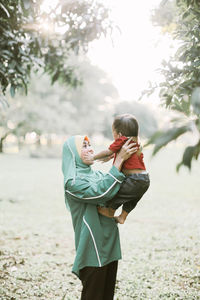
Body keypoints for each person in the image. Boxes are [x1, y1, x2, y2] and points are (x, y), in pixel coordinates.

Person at [62, 135, 137, 300]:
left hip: (109, 242)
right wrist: (118, 162)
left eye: (90, 145)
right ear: (73, 153)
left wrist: (120, 157)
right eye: (84, 146)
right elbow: (102, 192)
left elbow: (116, 187)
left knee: (106, 295)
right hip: (92, 249)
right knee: (94, 296)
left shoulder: (95, 174)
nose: (90, 149)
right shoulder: (72, 183)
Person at [94, 114, 150, 224]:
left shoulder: (122, 140)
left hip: (133, 180)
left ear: (119, 134)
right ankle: (122, 217)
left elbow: (107, 151)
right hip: (144, 179)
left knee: (117, 194)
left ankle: (110, 211)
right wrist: (112, 156)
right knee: (132, 199)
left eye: (113, 133)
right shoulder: (136, 143)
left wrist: (93, 157)